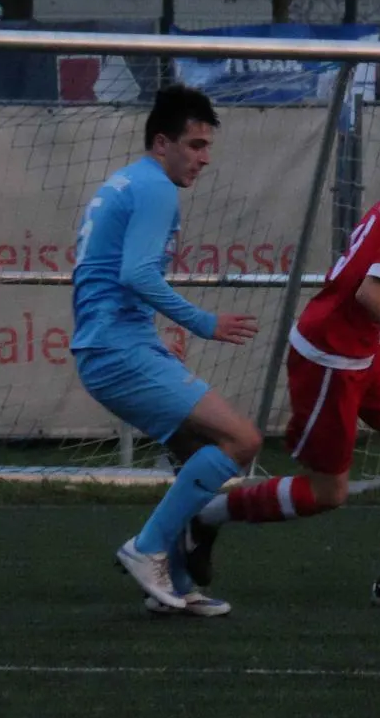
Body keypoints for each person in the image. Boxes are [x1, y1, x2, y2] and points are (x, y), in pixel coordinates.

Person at [182, 115, 380, 619]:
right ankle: (205, 516)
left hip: (362, 349)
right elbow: (371, 291)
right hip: (329, 354)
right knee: (327, 492)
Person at [72, 84, 261, 616]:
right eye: (195, 145)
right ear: (162, 143)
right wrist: (204, 323)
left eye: (207, 147)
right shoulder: (156, 187)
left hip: (113, 347)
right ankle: (148, 547)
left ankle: (176, 585)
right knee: (241, 439)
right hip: (116, 351)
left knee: (194, 453)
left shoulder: (128, 181)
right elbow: (135, 275)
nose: (204, 159)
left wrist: (152, 343)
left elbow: (112, 279)